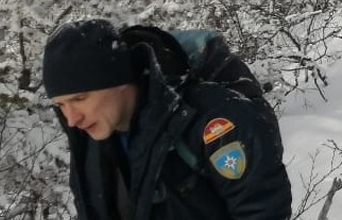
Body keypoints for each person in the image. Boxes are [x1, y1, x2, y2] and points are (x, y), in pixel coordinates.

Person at [42, 18, 292, 220]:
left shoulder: (214, 120)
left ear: (117, 82)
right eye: (61, 105)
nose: (71, 118)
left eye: (79, 98)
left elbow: (262, 210)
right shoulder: (91, 140)